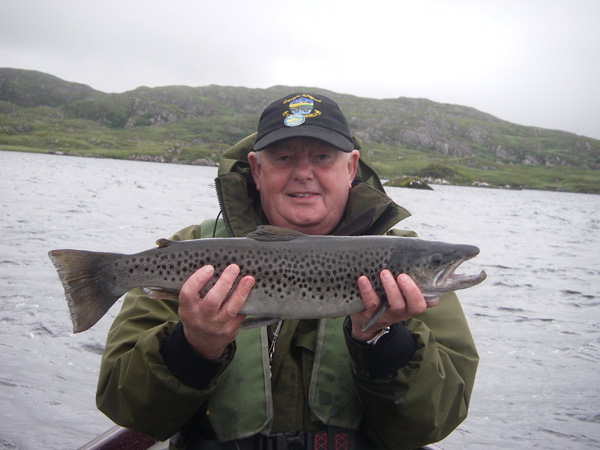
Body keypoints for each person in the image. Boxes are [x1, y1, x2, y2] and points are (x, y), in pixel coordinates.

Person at [96, 93, 479, 450]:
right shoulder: (194, 250)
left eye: (322, 157)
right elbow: (125, 405)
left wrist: (383, 341)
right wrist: (194, 346)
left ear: (351, 167)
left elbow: (434, 422)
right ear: (256, 170)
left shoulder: (401, 253)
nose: (303, 173)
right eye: (283, 158)